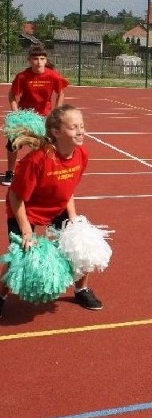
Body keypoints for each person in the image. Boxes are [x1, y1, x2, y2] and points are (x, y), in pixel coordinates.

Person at [0, 105, 102, 318]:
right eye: (74, 127)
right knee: (19, 255)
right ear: (56, 132)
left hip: (57, 207)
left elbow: (68, 190)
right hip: (26, 211)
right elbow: (15, 196)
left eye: (82, 126)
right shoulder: (37, 160)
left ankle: (81, 289)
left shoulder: (81, 155)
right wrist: (27, 231)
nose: (81, 131)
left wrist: (73, 220)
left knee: (81, 245)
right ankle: (0, 296)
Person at [3, 44, 69, 186]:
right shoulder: (22, 76)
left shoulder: (53, 76)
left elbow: (61, 93)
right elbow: (12, 95)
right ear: (29, 60)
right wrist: (16, 114)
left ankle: (46, 171)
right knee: (12, 143)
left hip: (44, 117)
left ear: (46, 60)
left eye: (41, 58)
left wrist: (56, 112)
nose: (38, 62)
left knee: (47, 146)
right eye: (35, 59)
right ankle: (10, 173)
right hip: (25, 116)